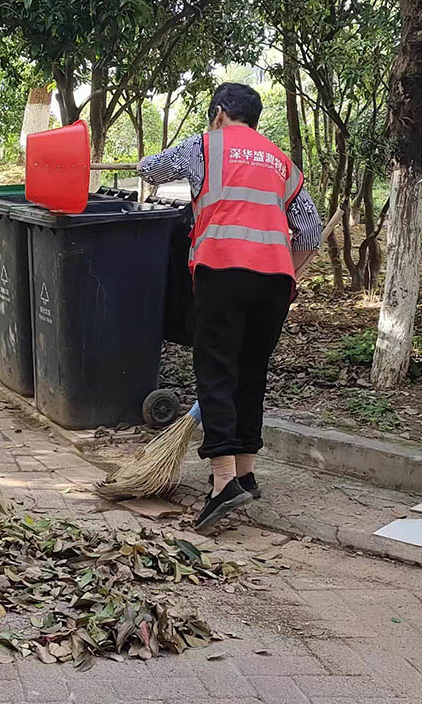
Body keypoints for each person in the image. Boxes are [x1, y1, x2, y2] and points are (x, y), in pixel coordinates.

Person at [138, 83, 322, 533]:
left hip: (223, 273)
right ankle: (245, 471)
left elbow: (150, 169)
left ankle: (222, 485)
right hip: (275, 281)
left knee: (217, 372)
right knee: (250, 372)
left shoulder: (204, 145)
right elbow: (310, 229)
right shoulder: (282, 161)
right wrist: (288, 272)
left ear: (219, 114)